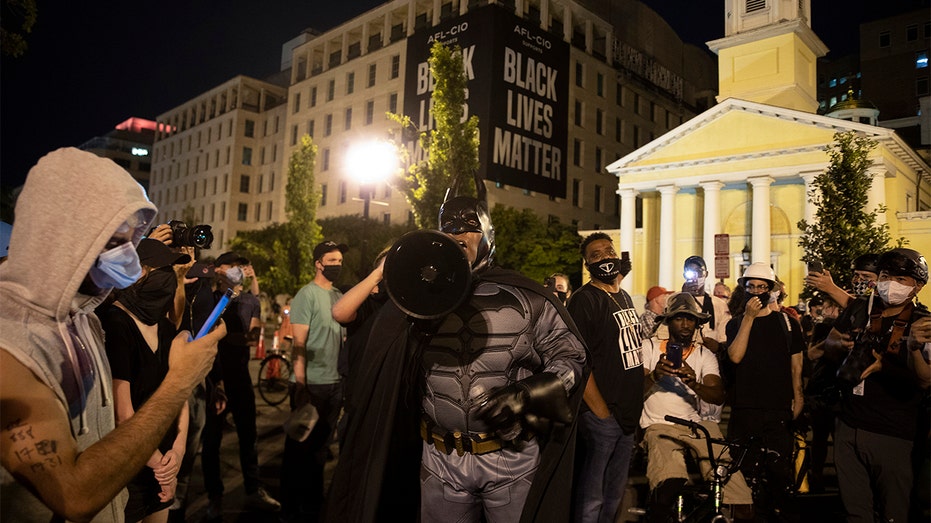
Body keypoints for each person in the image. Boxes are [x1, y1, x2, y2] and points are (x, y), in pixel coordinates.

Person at [325, 190, 588, 523]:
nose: (458, 232)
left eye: (470, 224)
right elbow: (379, 349)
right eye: (448, 224)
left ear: (488, 233)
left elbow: (571, 356)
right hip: (439, 459)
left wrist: (532, 393)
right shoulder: (418, 301)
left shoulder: (527, 297)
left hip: (510, 456)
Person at [0, 147, 224, 522]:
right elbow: (72, 494)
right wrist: (180, 382)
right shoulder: (9, 340)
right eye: (114, 242)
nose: (130, 258)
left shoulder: (83, 319)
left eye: (132, 241)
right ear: (62, 237)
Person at [826, 248, 930, 523]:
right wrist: (842, 345)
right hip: (849, 425)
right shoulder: (862, 308)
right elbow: (830, 342)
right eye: (885, 275)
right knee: (855, 513)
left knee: (894, 513)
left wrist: (906, 353)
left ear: (918, 286)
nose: (890, 282)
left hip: (893, 432)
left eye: (901, 278)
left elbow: (926, 380)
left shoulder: (922, 322)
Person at [98, 239, 192, 522]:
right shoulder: (116, 323)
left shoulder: (164, 327)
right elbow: (122, 412)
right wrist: (159, 465)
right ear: (139, 272)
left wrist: (177, 450)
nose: (168, 281)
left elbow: (179, 392)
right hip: (132, 464)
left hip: (163, 460)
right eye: (163, 271)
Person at [640, 292, 754, 523]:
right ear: (668, 321)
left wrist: (695, 384)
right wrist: (654, 375)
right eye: (679, 318)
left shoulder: (704, 354)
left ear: (697, 323)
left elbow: (718, 395)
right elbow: (633, 393)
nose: (685, 324)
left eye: (691, 319)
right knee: (669, 481)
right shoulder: (649, 348)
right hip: (658, 425)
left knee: (737, 493)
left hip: (695, 425)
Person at [567, 231, 643, 523]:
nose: (605, 258)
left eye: (608, 251)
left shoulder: (622, 296)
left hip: (626, 415)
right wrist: (600, 411)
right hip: (602, 416)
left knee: (613, 493)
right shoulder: (584, 301)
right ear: (587, 264)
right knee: (592, 496)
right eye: (595, 255)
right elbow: (576, 361)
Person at [201, 252, 279, 520]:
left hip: (241, 377)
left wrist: (225, 337)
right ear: (219, 270)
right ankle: (215, 497)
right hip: (214, 378)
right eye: (229, 267)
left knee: (249, 437)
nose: (235, 272)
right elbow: (206, 337)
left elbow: (252, 337)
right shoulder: (209, 299)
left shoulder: (249, 301)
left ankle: (253, 488)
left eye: (239, 268)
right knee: (211, 441)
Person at [725, 262, 805, 517]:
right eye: (751, 287)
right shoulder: (736, 323)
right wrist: (748, 317)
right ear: (744, 289)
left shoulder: (787, 323)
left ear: (770, 289)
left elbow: (796, 366)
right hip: (745, 408)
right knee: (742, 475)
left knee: (778, 474)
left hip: (777, 408)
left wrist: (798, 397)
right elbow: (735, 356)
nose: (757, 291)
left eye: (762, 287)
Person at [280, 240, 347, 522]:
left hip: (335, 383)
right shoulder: (306, 295)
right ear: (319, 263)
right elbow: (299, 343)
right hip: (312, 384)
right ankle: (290, 509)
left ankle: (313, 506)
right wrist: (300, 385)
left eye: (340, 261)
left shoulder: (339, 295)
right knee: (299, 450)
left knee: (320, 450)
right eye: (332, 261)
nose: (338, 266)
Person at [801, 295, 842, 493]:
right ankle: (816, 475)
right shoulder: (823, 328)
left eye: (833, 308)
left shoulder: (849, 325)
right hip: (822, 387)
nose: (829, 312)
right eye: (827, 308)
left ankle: (844, 478)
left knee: (841, 438)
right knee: (819, 437)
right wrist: (832, 341)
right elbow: (811, 354)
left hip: (842, 387)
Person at [805, 253, 880, 309]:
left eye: (866, 276)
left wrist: (830, 287)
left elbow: (860, 308)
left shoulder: (884, 302)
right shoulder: (851, 297)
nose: (859, 280)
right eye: (856, 275)